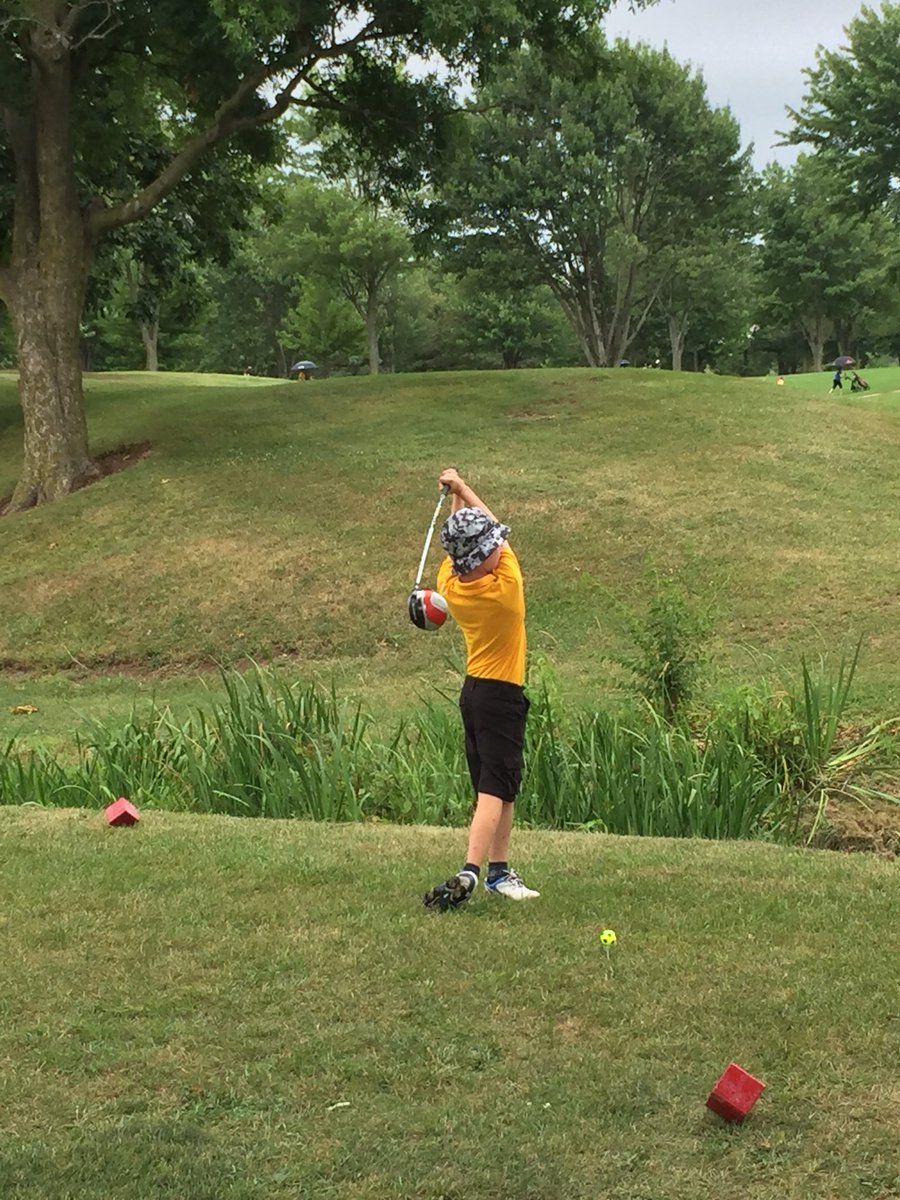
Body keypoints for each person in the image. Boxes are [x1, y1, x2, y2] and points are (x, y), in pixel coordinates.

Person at [423, 467, 539, 911]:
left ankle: (499, 872)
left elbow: (464, 539)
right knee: (494, 788)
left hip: (474, 695)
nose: (495, 549)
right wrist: (464, 487)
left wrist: (453, 497)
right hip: (501, 697)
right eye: (489, 549)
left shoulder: (451, 586)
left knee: (499, 786)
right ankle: (472, 872)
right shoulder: (507, 587)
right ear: (485, 558)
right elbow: (493, 531)